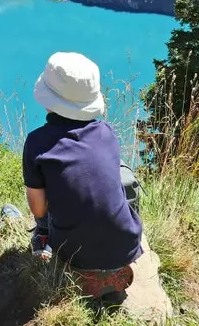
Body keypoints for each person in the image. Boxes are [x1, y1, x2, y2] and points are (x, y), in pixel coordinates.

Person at [22, 51, 145, 298]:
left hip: (72, 252)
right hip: (126, 244)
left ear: (49, 100)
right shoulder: (107, 132)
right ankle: (112, 270)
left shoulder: (37, 143)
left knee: (46, 209)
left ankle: (46, 242)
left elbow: (38, 209)